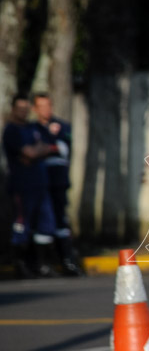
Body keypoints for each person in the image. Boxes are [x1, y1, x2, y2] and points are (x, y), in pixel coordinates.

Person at [3, 94, 58, 278]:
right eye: (20, 109)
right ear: (13, 110)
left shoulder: (34, 128)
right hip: (22, 186)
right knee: (22, 225)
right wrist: (36, 152)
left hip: (41, 184)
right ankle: (20, 264)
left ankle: (41, 264)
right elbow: (30, 153)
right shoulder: (11, 130)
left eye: (26, 109)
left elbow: (47, 148)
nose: (24, 112)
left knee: (45, 224)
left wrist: (37, 152)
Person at [32, 93, 82, 275]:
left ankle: (68, 261)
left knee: (61, 220)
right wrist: (45, 149)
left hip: (58, 182)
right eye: (41, 106)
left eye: (48, 105)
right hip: (39, 183)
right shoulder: (32, 128)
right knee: (41, 223)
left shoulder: (62, 126)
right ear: (35, 109)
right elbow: (29, 152)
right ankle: (41, 264)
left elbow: (63, 149)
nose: (46, 109)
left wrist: (43, 148)